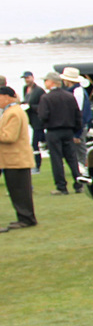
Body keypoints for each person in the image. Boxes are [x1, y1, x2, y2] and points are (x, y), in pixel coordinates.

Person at [36, 73, 82, 194]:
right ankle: (79, 184)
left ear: (51, 82)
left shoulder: (46, 98)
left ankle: (61, 187)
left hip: (53, 131)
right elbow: (77, 115)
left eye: (46, 81)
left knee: (56, 159)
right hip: (68, 130)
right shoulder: (69, 96)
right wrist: (76, 130)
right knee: (72, 158)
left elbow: (43, 116)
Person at [0, 86, 37, 231]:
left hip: (16, 160)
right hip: (14, 160)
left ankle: (26, 219)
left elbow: (9, 136)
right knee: (19, 191)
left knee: (20, 192)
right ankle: (25, 218)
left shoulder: (13, 113)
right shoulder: (12, 111)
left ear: (7, 97)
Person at [22, 71, 44, 171]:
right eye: (25, 78)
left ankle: (37, 165)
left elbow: (43, 106)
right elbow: (26, 101)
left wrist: (31, 107)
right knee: (43, 140)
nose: (27, 80)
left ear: (32, 78)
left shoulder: (39, 90)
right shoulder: (25, 89)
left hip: (38, 120)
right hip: (30, 119)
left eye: (28, 78)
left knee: (35, 143)